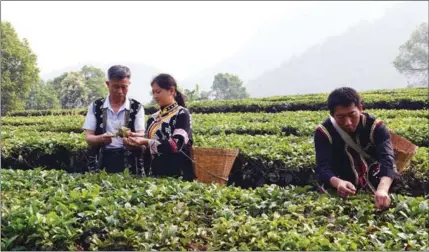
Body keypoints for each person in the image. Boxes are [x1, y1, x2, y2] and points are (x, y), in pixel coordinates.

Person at [314, 87, 398, 210]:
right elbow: (322, 167)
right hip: (342, 185)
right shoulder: (323, 132)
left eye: (352, 115)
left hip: (375, 180)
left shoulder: (375, 127)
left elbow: (387, 159)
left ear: (360, 108)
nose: (348, 122)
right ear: (332, 114)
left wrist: (382, 190)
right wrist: (338, 183)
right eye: (341, 117)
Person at [123, 73, 195, 181]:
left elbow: (176, 145)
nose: (155, 96)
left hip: (179, 176)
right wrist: (133, 143)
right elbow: (147, 148)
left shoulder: (182, 113)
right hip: (155, 176)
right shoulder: (153, 118)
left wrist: (145, 142)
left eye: (158, 92)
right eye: (153, 92)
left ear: (171, 90)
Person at [82, 65, 146, 174]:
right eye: (115, 86)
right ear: (108, 84)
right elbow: (89, 137)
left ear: (129, 85)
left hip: (130, 163)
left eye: (124, 87)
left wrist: (131, 137)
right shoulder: (96, 106)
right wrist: (100, 138)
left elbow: (141, 134)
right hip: (101, 161)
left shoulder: (137, 107)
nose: (120, 91)